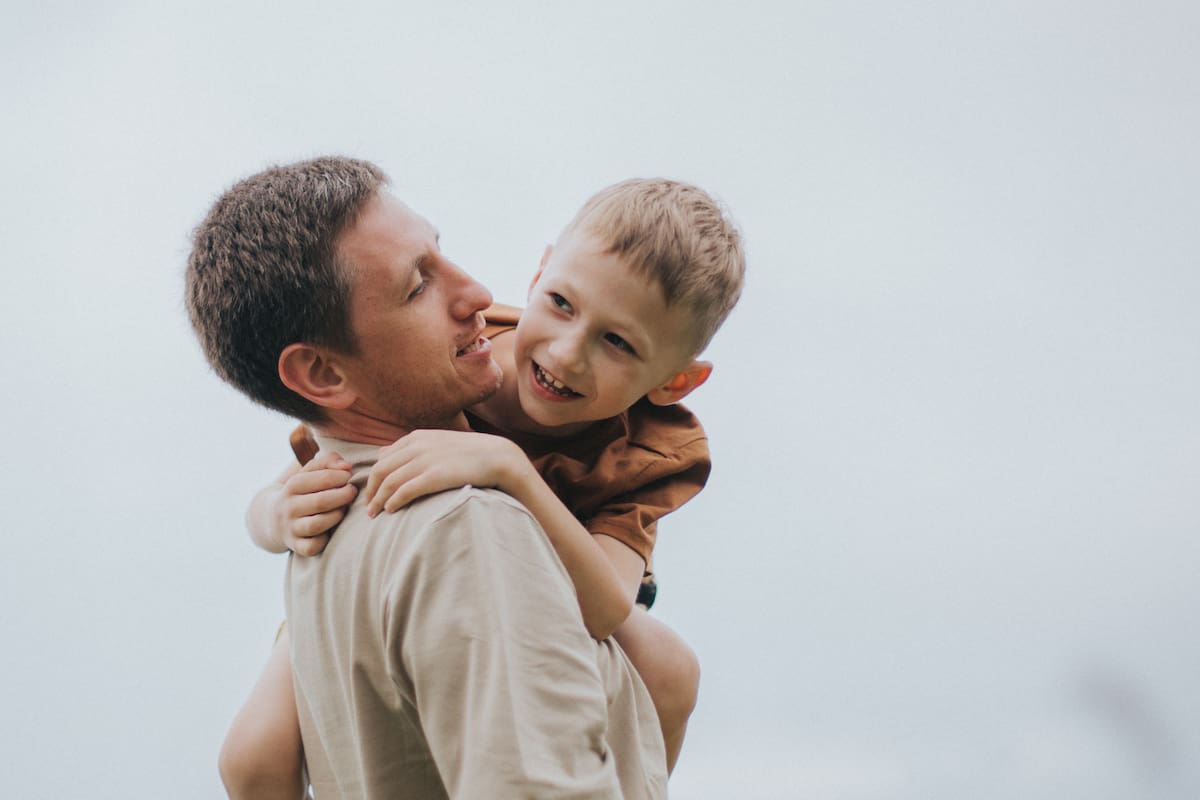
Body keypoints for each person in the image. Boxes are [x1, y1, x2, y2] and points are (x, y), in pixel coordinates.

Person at [220, 175, 745, 798]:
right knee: (250, 758)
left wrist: (511, 470)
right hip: (412, 583)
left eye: (618, 343)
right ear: (540, 272)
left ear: (675, 382)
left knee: (671, 670)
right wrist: (273, 517)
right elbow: (316, 458)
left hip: (566, 579)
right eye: (561, 304)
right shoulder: (462, 351)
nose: (567, 352)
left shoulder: (647, 448)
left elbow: (606, 607)